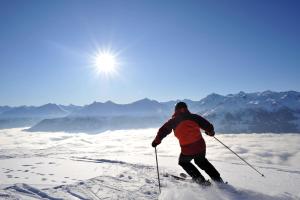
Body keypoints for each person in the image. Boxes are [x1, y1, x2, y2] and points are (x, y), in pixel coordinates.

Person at [151, 102, 223, 185]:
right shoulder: (194, 117)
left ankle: (200, 180)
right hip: (200, 145)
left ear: (176, 110)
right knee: (201, 161)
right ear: (186, 108)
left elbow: (162, 131)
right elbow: (208, 126)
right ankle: (218, 179)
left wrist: (156, 142)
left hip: (187, 148)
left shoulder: (173, 121)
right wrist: (210, 132)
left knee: (183, 162)